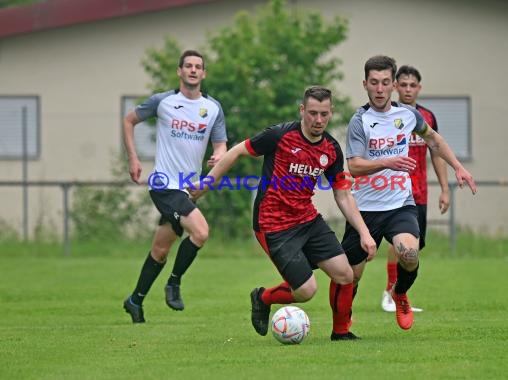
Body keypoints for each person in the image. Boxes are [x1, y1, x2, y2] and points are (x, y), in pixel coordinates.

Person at [191, 86, 377, 341]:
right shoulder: (280, 135)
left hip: (307, 219)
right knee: (305, 291)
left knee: (345, 274)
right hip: (273, 224)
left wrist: (365, 233)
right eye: (312, 113)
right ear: (302, 110)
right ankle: (263, 297)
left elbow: (343, 194)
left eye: (324, 114)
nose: (318, 120)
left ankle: (341, 333)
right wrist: (207, 183)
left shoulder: (331, 148)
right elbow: (237, 151)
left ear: (331, 113)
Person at [341, 55, 476, 330]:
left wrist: (458, 167)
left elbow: (435, 140)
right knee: (350, 276)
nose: (380, 89)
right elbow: (354, 167)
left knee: (410, 254)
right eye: (374, 83)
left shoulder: (408, 115)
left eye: (385, 82)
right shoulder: (359, 121)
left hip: (400, 204)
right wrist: (387, 162)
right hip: (365, 208)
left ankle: (399, 293)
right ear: (365, 84)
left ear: (393, 85)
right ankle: (344, 315)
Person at [122, 49, 227, 323]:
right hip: (164, 185)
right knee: (201, 232)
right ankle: (174, 283)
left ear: (203, 73)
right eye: (188, 66)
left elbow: (221, 146)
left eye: (198, 66)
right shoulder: (164, 102)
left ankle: (135, 300)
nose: (193, 70)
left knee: (160, 250)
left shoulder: (213, 108)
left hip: (187, 189)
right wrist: (133, 158)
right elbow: (129, 120)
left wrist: (218, 157)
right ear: (180, 71)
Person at [380, 65, 450, 313]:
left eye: (413, 85)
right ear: (396, 86)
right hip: (392, 192)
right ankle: (389, 292)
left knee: (414, 248)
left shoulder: (426, 119)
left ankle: (397, 292)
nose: (408, 89)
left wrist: (444, 188)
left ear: (419, 88)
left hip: (419, 192)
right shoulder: (387, 115)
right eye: (404, 84)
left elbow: (437, 152)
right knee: (399, 239)